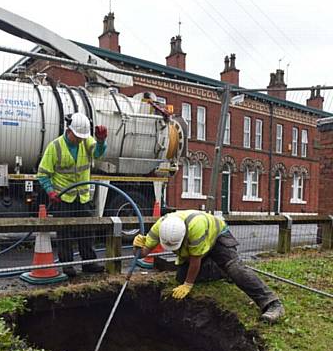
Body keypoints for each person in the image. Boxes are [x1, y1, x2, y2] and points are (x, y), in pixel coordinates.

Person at [132, 209, 286, 323]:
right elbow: (143, 254)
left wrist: (188, 284)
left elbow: (195, 259)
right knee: (180, 278)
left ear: (184, 234)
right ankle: (221, 271)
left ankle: (272, 303)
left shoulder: (195, 227)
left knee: (234, 268)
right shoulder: (160, 227)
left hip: (217, 236)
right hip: (197, 244)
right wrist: (137, 246)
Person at [37, 112, 108, 278]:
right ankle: (67, 265)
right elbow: (42, 173)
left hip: (82, 198)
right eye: (77, 136)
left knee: (87, 231)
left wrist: (101, 141)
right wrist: (51, 191)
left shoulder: (86, 141)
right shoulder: (54, 147)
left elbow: (97, 154)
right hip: (64, 198)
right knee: (65, 233)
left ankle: (89, 263)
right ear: (68, 130)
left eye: (82, 137)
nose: (80, 140)